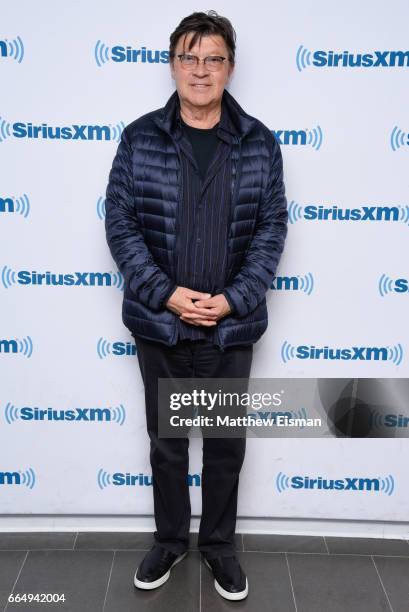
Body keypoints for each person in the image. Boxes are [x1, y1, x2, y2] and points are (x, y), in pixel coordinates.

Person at [104, 10, 288, 602]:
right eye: (189, 57)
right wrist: (166, 294)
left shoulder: (259, 141)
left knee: (225, 445)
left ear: (230, 67)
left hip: (229, 330)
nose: (201, 70)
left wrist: (233, 300)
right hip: (161, 323)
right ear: (173, 64)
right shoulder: (140, 137)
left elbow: (271, 229)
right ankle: (168, 541)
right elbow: (121, 224)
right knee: (167, 440)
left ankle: (219, 548)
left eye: (213, 58)